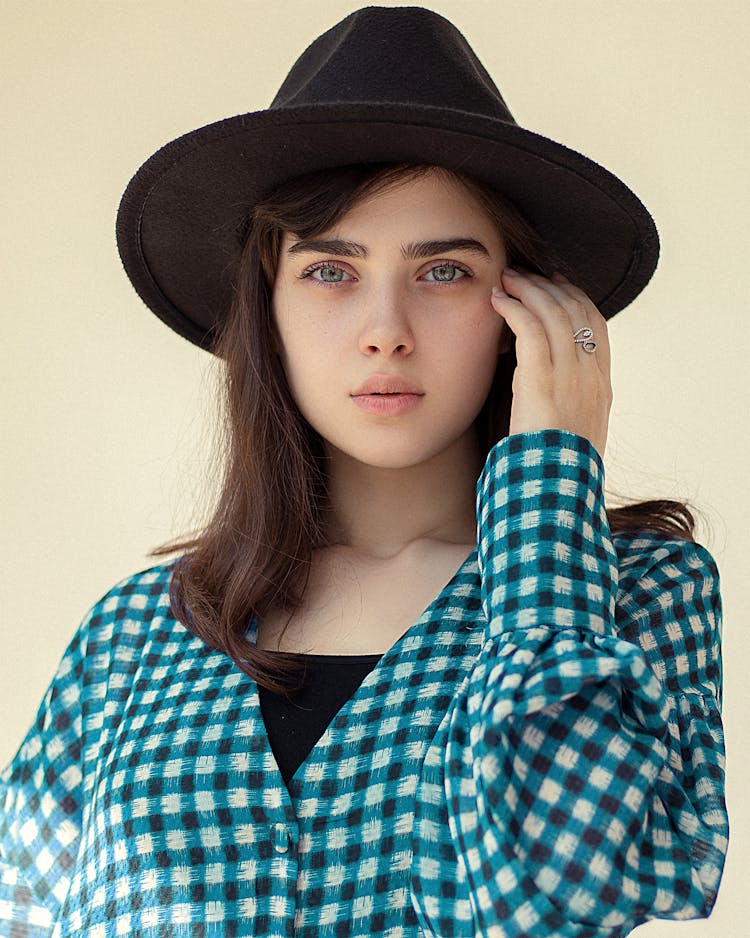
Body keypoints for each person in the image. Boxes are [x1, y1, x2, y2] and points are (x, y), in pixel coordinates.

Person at [0, 6, 727, 937]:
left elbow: (563, 897)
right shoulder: (134, 637)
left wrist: (553, 473)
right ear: (268, 309)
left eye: (444, 273)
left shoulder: (634, 596)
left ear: (529, 308)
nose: (385, 327)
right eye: (330, 271)